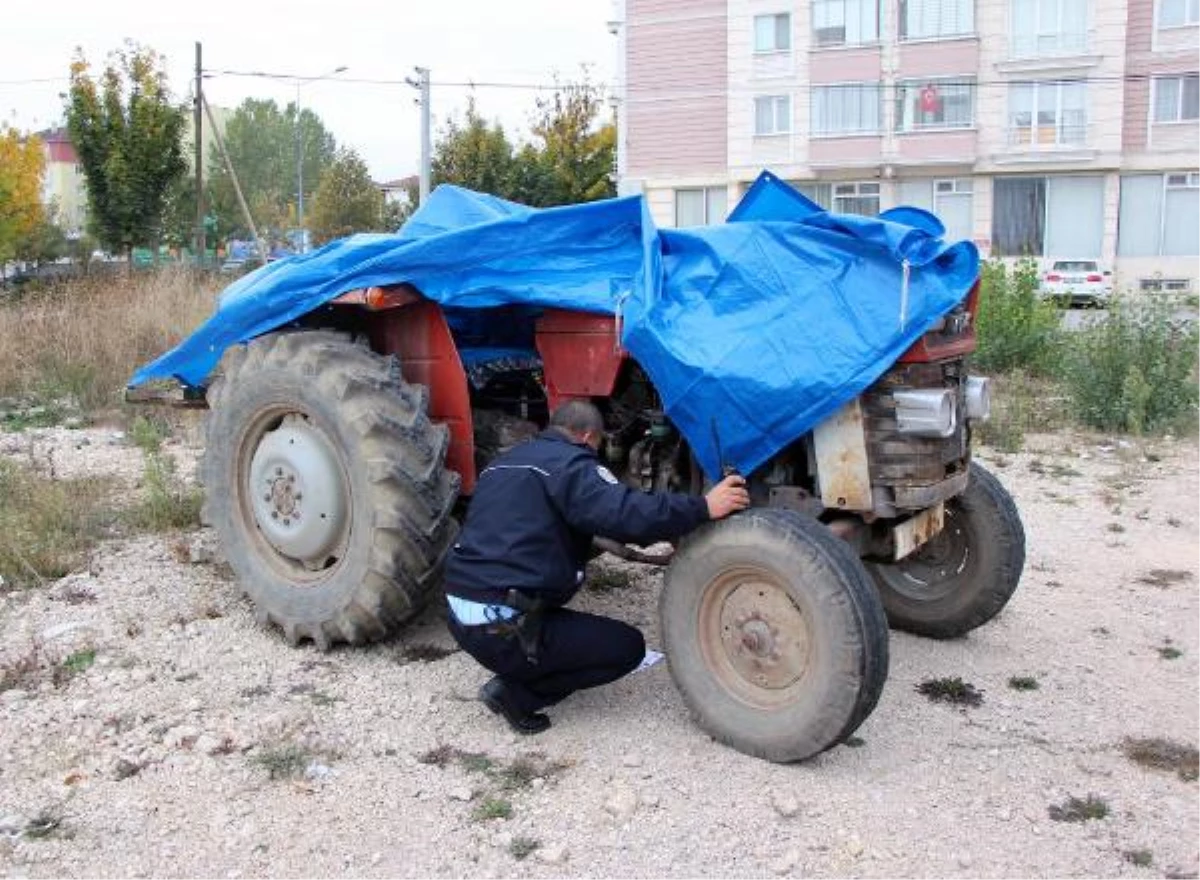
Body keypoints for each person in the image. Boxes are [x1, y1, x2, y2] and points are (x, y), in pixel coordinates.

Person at [444, 400, 751, 735]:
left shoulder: (504, 463)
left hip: (460, 615)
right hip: (502, 629)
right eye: (599, 445)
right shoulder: (572, 464)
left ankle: (521, 657)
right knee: (627, 648)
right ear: (589, 437)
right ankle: (517, 694)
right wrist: (704, 506)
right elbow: (626, 515)